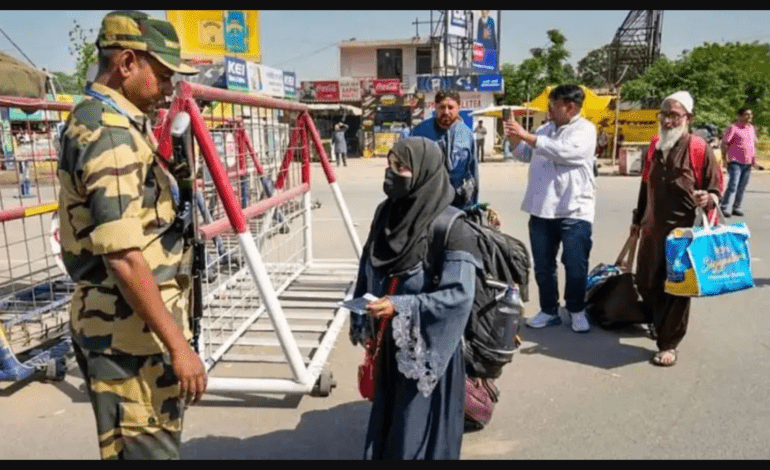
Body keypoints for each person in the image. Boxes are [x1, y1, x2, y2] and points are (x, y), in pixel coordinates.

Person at [56, 11, 205, 459]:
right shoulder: (109, 133)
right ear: (126, 63)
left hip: (128, 326)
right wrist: (179, 349)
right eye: (162, 76)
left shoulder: (101, 118)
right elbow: (123, 255)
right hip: (129, 336)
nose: (167, 89)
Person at [349, 137, 481, 460]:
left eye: (402, 167)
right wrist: (362, 314)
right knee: (391, 423)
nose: (391, 174)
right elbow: (369, 263)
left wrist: (402, 306)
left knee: (417, 429)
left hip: (428, 351)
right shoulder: (386, 214)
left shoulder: (452, 227)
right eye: (389, 165)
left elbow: (459, 295)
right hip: (389, 346)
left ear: (424, 172)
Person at [630, 91, 722, 367]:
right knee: (646, 282)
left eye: (675, 115)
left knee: (677, 290)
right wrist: (637, 220)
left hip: (684, 234)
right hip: (652, 229)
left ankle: (669, 343)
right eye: (664, 114)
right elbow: (645, 185)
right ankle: (660, 323)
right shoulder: (655, 146)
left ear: (688, 118)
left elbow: (715, 186)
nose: (668, 121)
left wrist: (709, 197)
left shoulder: (698, 147)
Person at [504, 84, 596, 333]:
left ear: (570, 107)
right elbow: (525, 154)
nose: (548, 110)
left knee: (575, 264)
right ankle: (549, 310)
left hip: (574, 210)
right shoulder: (545, 129)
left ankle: (576, 309)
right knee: (543, 264)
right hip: (541, 208)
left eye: (553, 105)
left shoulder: (585, 130)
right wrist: (515, 137)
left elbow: (565, 152)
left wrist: (528, 136)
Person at [411, 90, 478, 211]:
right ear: (435, 107)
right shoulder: (420, 131)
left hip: (459, 203)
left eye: (451, 107)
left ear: (459, 108)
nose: (446, 112)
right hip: (428, 201)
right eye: (442, 107)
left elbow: (473, 171)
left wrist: (473, 207)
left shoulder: (466, 134)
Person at [720, 107, 756, 217]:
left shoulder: (751, 128)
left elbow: (752, 145)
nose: (749, 117)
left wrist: (754, 159)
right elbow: (725, 143)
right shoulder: (733, 128)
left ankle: (737, 207)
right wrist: (724, 158)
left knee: (742, 187)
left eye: (750, 115)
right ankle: (724, 207)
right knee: (733, 185)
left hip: (747, 162)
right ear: (740, 116)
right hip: (735, 161)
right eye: (746, 114)